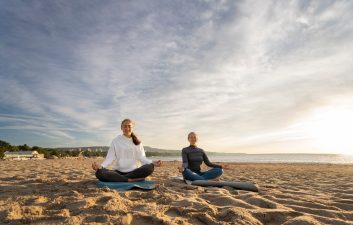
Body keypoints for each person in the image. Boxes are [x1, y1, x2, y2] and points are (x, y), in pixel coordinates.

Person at [92, 118, 161, 182]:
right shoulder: (116, 141)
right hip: (118, 172)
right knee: (99, 173)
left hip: (134, 172)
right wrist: (101, 166)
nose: (127, 128)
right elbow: (110, 157)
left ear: (132, 127)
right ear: (121, 128)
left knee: (150, 167)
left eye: (129, 126)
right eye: (125, 126)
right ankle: (129, 180)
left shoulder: (138, 142)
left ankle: (123, 179)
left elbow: (141, 157)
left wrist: (153, 162)